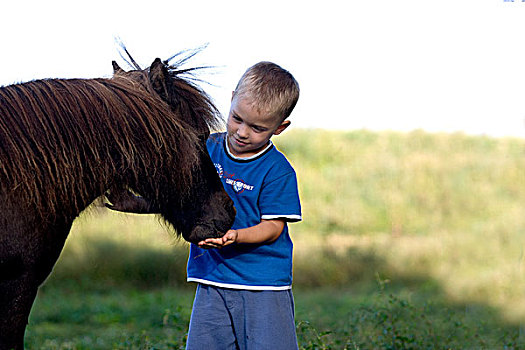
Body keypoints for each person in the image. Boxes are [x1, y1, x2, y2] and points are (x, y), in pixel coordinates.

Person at [107, 61, 301, 349]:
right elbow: (181, 198)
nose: (242, 132)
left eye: (257, 128)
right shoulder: (206, 149)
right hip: (211, 279)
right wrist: (137, 204)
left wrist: (237, 236)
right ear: (232, 98)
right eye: (237, 118)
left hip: (262, 285)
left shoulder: (276, 170)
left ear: (280, 128)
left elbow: (273, 228)